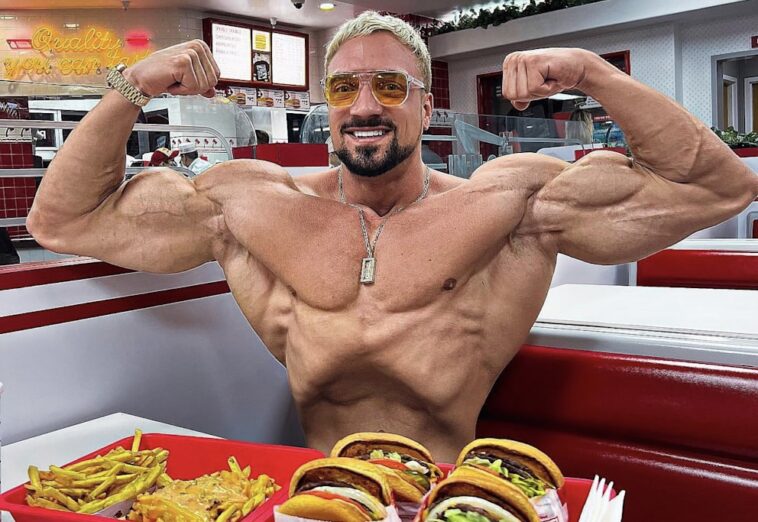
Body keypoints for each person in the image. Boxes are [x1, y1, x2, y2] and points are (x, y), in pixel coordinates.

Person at [26, 12, 757, 461]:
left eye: (391, 86)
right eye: (344, 88)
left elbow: (717, 187)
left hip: (450, 490)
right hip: (316, 487)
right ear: (327, 108)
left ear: (427, 107)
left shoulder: (513, 205)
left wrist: (593, 74)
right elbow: (61, 219)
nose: (365, 106)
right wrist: (131, 87)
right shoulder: (247, 203)